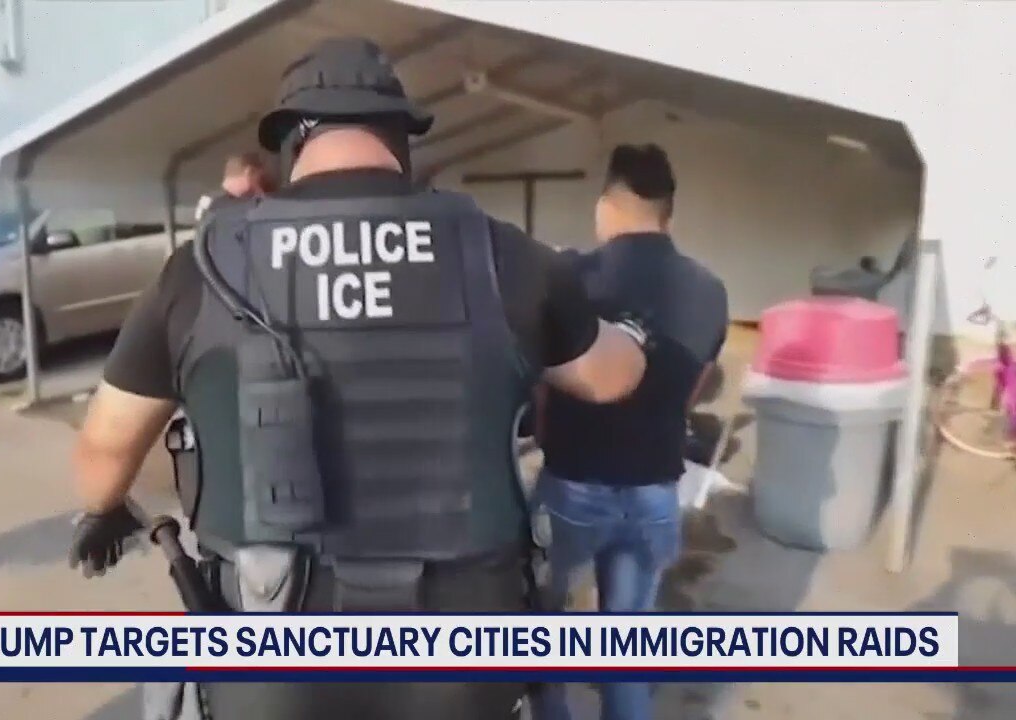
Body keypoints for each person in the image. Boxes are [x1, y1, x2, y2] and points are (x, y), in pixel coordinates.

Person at [69, 36, 649, 720]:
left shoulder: (205, 266)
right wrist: (635, 335)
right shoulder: (502, 252)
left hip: (271, 645)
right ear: (402, 136)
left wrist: (104, 509)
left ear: (292, 139)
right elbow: (610, 379)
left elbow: (105, 446)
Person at [530, 144, 729, 720]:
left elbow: (542, 381)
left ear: (605, 205)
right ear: (668, 213)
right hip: (655, 491)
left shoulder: (571, 277)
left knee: (540, 643)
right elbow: (693, 392)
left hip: (573, 486)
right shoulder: (709, 291)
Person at [194, 152, 273, 221]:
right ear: (248, 172)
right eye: (259, 177)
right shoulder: (251, 202)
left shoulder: (207, 201)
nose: (259, 185)